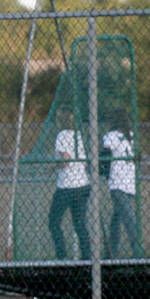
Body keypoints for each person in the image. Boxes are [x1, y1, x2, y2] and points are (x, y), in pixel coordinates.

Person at [48, 108, 91, 260]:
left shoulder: (62, 135)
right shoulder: (79, 135)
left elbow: (65, 160)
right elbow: (84, 163)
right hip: (83, 184)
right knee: (79, 223)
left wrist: (53, 167)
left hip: (67, 186)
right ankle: (87, 256)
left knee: (53, 222)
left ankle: (62, 255)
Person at [102, 111, 142, 258]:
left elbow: (104, 155)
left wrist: (100, 169)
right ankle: (111, 252)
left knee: (127, 217)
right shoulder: (130, 135)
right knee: (117, 218)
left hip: (118, 182)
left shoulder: (111, 136)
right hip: (130, 181)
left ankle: (137, 251)